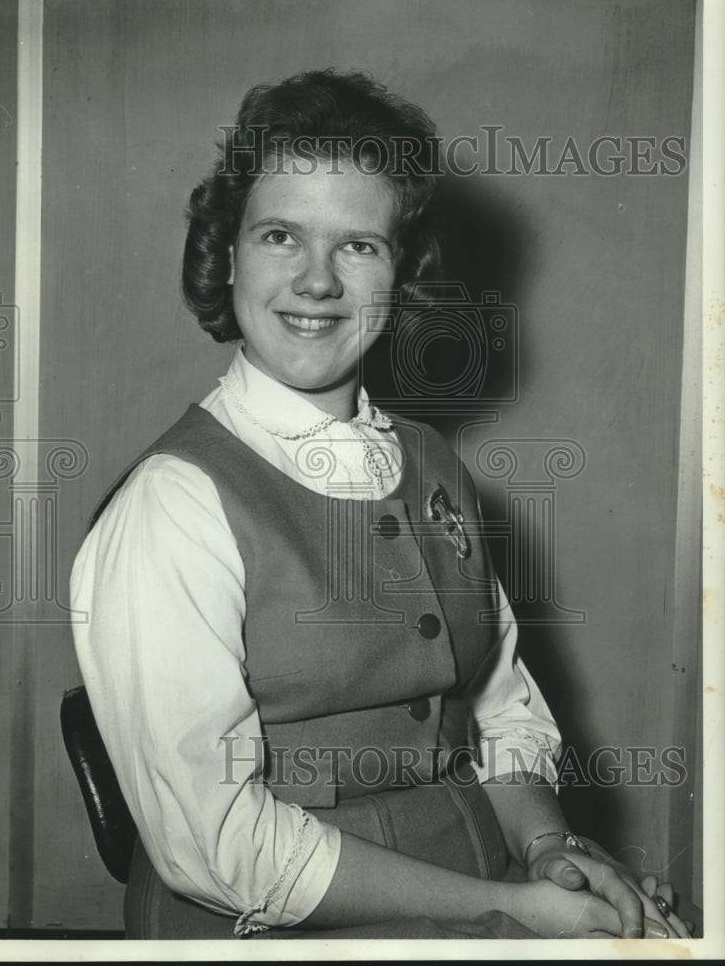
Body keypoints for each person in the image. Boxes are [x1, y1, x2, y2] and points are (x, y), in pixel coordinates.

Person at [70, 69, 687, 941]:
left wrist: (551, 848)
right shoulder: (171, 506)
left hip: (485, 885)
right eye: (281, 234)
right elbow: (212, 847)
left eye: (357, 245)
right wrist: (512, 907)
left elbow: (496, 709)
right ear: (229, 253)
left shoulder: (430, 463)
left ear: (403, 270)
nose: (316, 280)